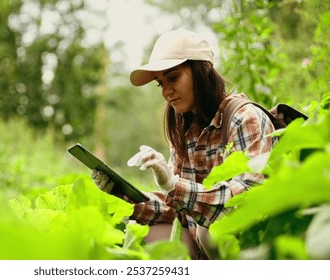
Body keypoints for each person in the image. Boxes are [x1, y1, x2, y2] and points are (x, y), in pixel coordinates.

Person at [91, 29, 276, 259]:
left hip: (250, 245)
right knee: (149, 232)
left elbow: (248, 200)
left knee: (211, 231)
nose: (166, 91)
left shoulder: (245, 118)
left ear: (203, 70)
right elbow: (179, 211)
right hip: (200, 244)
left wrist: (174, 186)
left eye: (173, 77)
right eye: (160, 83)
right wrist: (124, 197)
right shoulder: (184, 129)